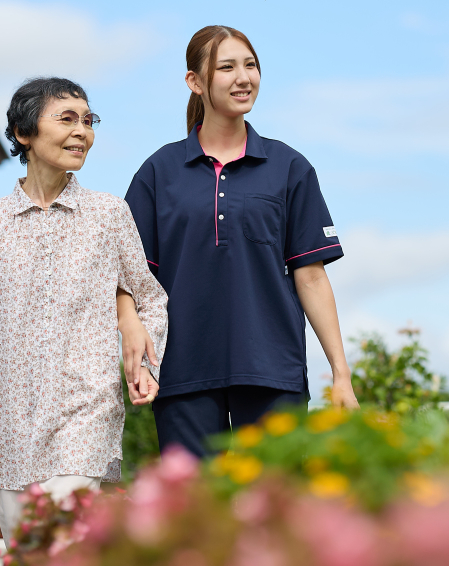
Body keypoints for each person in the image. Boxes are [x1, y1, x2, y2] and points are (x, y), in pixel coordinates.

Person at [116, 25, 358, 458]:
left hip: (272, 370)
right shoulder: (158, 172)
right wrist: (135, 344)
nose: (243, 77)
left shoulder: (289, 166)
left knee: (273, 514)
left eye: (250, 65)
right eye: (226, 67)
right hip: (182, 371)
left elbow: (312, 278)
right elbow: (127, 278)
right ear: (195, 81)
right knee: (196, 514)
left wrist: (341, 374)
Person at [0, 77, 167, 532]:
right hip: (8, 417)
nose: (82, 132)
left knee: (68, 542)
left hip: (85, 411)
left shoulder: (109, 214)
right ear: (23, 133)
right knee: (28, 548)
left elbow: (150, 298)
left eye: (88, 121)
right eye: (67, 119)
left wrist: (148, 363)